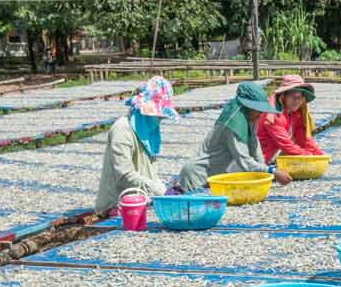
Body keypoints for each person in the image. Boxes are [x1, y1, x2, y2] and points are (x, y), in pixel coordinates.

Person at [176, 81, 291, 193]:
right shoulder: (234, 124)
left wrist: (265, 174)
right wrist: (272, 171)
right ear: (247, 106)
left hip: (216, 177)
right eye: (258, 110)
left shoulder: (248, 118)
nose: (260, 114)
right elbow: (244, 161)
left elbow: (254, 146)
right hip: (197, 177)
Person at [94, 76, 179, 213]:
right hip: (118, 206)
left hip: (143, 201)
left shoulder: (149, 132)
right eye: (157, 116)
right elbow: (125, 175)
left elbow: (149, 174)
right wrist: (160, 191)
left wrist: (165, 190)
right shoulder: (122, 130)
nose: (159, 120)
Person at [256, 75, 324, 163]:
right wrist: (309, 156)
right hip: (262, 158)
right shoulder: (273, 115)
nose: (297, 101)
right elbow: (286, 145)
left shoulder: (296, 114)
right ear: (283, 96)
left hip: (277, 154)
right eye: (293, 97)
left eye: (300, 97)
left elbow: (304, 138)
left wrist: (319, 155)